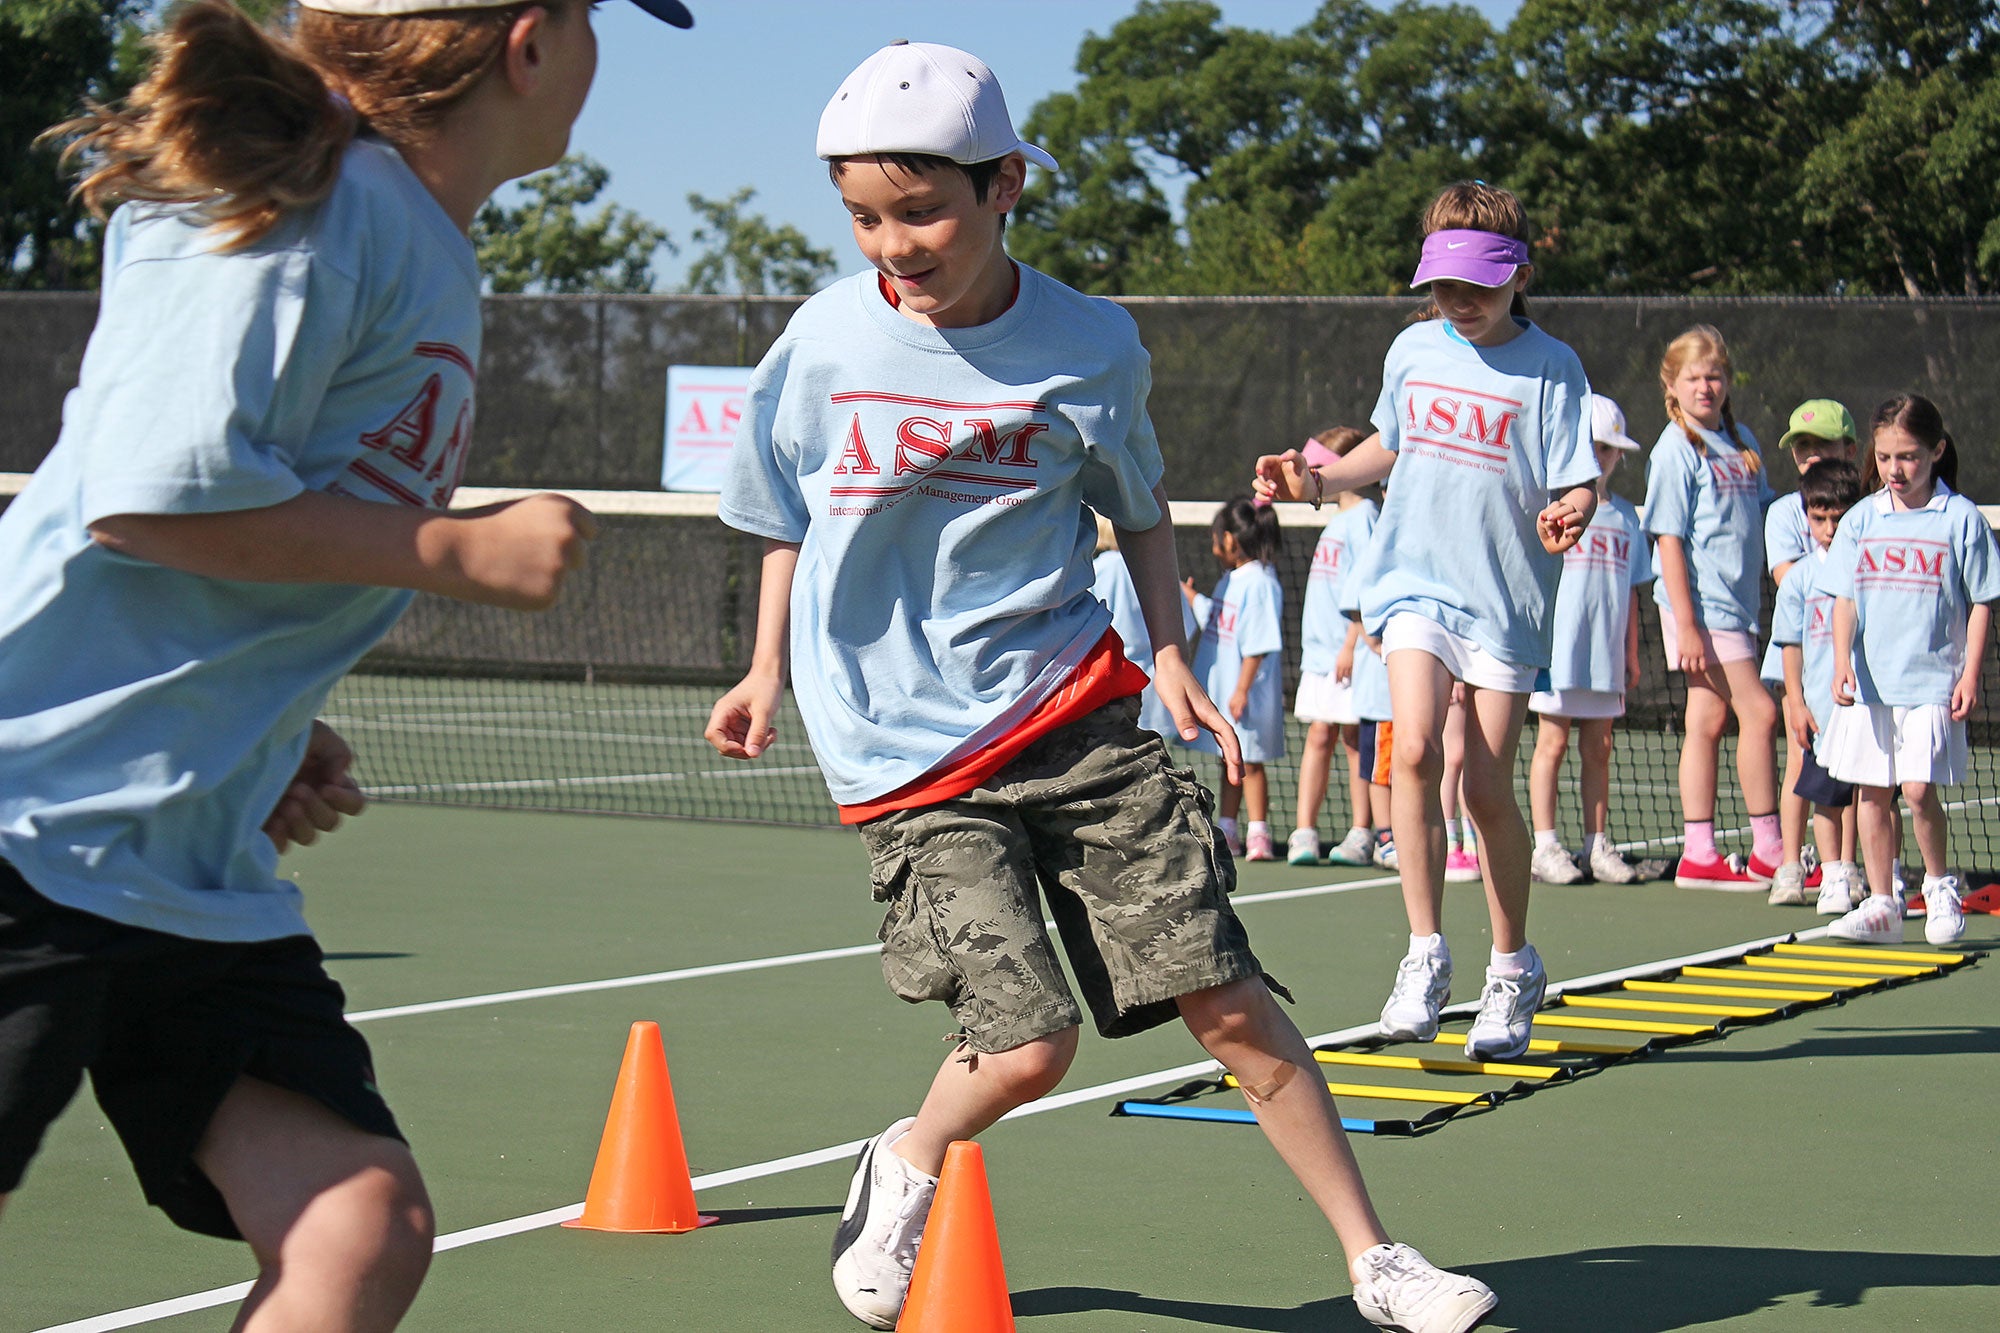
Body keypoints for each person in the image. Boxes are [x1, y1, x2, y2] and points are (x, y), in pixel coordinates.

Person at [705, 40, 1496, 1333]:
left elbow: (1137, 510)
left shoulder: (1091, 345)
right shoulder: (823, 344)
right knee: (1030, 1046)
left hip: (1074, 712)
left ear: (1005, 185)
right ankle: (908, 1156)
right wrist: (760, 666)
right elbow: (780, 514)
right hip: (908, 752)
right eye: (862, 217)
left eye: (921, 211)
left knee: (1228, 999)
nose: (892, 245)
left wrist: (1172, 654)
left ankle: (1376, 1259)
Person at [0, 0, 687, 1324]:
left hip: (171, 855)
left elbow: (227, 523)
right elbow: (151, 494)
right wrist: (455, 549)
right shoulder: (324, 208)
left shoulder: (397, 225)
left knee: (356, 1218)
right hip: (27, 819)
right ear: (528, 45)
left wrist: (259, 730)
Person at [1255, 180, 1601, 1063]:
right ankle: (1424, 953)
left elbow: (1579, 477)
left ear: (1519, 275)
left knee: (1484, 786)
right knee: (1410, 748)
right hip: (1413, 584)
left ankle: (1513, 966)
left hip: (1505, 600)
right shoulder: (1412, 349)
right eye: (1444, 285)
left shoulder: (1553, 366)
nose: (1459, 300)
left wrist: (1573, 510)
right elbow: (1386, 445)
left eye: (1477, 285)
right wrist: (1315, 479)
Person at [1820, 395, 2000, 946]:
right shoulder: (1860, 519)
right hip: (1872, 686)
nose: (1894, 469)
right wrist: (1841, 660)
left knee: (1919, 791)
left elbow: (1982, 602)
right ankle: (1882, 904)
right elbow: (1845, 598)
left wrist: (1969, 674)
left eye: (1908, 457)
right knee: (1872, 794)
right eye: (1884, 457)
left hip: (1932, 685)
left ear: (1936, 450)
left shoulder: (1961, 519)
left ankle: (1939, 887)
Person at [1642, 325, 1782, 890]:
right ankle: (1770, 849)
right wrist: (1688, 624)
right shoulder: (1673, 450)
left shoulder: (1742, 440)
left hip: (1737, 607)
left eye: (1715, 375)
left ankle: (1699, 853)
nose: (1706, 386)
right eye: (1694, 377)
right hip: (1702, 610)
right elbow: (1668, 540)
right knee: (1761, 713)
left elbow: (1767, 516)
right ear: (1671, 386)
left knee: (1706, 719)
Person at [1527, 394, 1659, 885]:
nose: (1602, 457)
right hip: (1558, 653)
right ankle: (1545, 846)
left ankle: (1595, 845)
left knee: (1599, 747)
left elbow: (1632, 594)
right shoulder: (1552, 510)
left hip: (1605, 657)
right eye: (1595, 446)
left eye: (1609, 449)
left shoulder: (1627, 519)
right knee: (1553, 742)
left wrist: (1629, 653)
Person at [1761, 400, 1865, 905]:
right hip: (1804, 664)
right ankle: (1790, 866)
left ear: (1850, 449)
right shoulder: (1784, 512)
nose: (1812, 455)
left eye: (1823, 444)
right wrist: (1798, 695)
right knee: (1802, 764)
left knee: (1859, 778)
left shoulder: (1866, 515)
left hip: (1853, 679)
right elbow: (1790, 585)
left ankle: (1846, 869)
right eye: (1803, 446)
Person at [1288, 429, 1383, 866]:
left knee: (1354, 740)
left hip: (1349, 656)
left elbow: (1365, 588)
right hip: (1320, 654)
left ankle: (1362, 833)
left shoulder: (1365, 516)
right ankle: (1304, 832)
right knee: (1319, 735)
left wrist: (1350, 645)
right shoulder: (1338, 520)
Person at [1182, 497, 1287, 860]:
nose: (1214, 546)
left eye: (1216, 538)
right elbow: (1216, 618)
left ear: (1229, 539)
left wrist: (1242, 690)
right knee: (1229, 760)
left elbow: (1258, 644)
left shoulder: (1260, 582)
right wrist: (1191, 596)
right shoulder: (1231, 580)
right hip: (1225, 692)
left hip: (1246, 695)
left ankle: (1259, 832)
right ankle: (1228, 828)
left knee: (1250, 762)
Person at [1090, 511, 1191, 741]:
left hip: (1113, 680)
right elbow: (1186, 626)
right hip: (1158, 677)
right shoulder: (1156, 572)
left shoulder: (1097, 569)